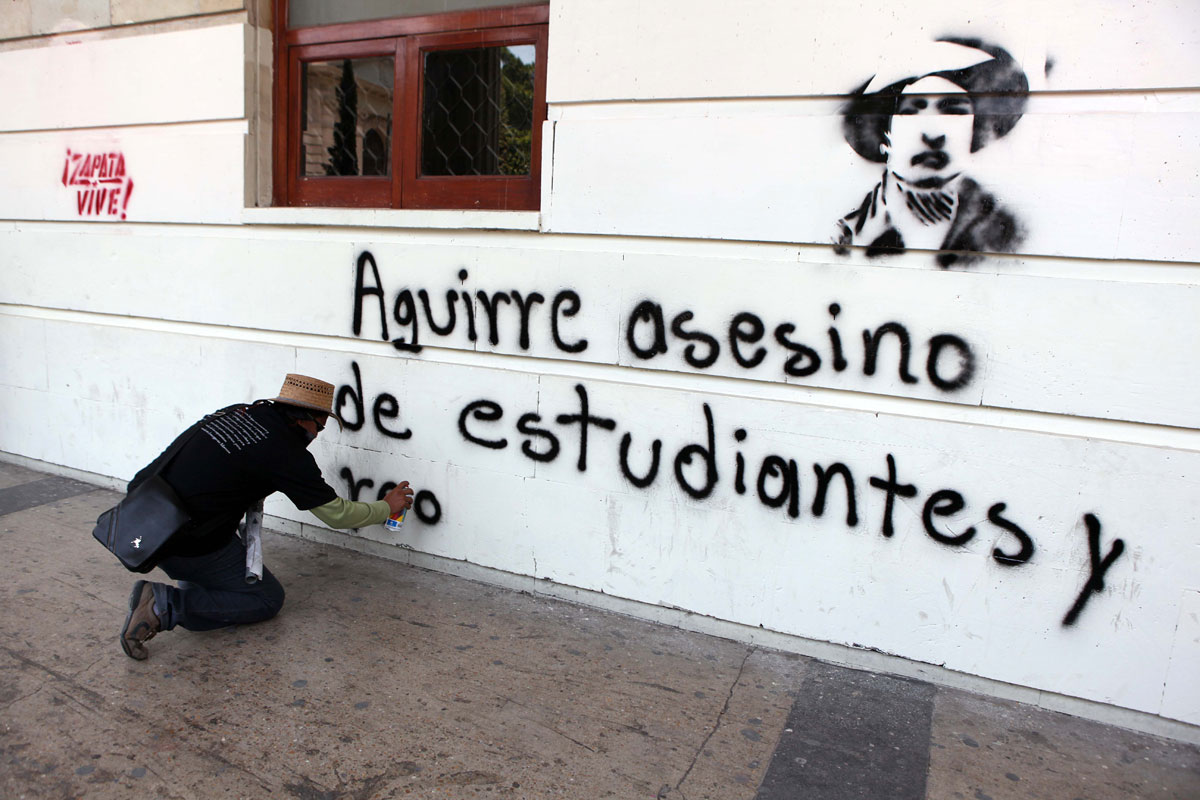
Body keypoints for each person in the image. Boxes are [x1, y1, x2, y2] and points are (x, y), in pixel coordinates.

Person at [119, 374, 414, 660]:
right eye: (319, 427)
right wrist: (386, 507)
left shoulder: (238, 413)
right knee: (266, 599)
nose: (316, 435)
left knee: (214, 590)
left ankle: (193, 587)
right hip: (184, 539)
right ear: (302, 419)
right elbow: (337, 515)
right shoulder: (285, 451)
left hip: (139, 515)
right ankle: (161, 605)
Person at [832, 38, 1029, 267]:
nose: (933, 133)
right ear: (886, 135)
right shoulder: (849, 234)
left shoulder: (1007, 234)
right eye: (910, 112)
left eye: (953, 111)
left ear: (974, 131)